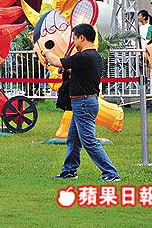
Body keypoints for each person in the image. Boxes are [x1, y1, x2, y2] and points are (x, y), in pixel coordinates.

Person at [42, 23, 120, 182]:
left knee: (89, 141)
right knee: (73, 139)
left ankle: (111, 173)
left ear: (82, 38)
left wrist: (46, 52)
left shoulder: (84, 56)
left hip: (83, 103)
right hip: (83, 103)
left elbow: (57, 62)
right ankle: (69, 170)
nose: (74, 41)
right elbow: (76, 72)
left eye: (75, 38)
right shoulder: (93, 56)